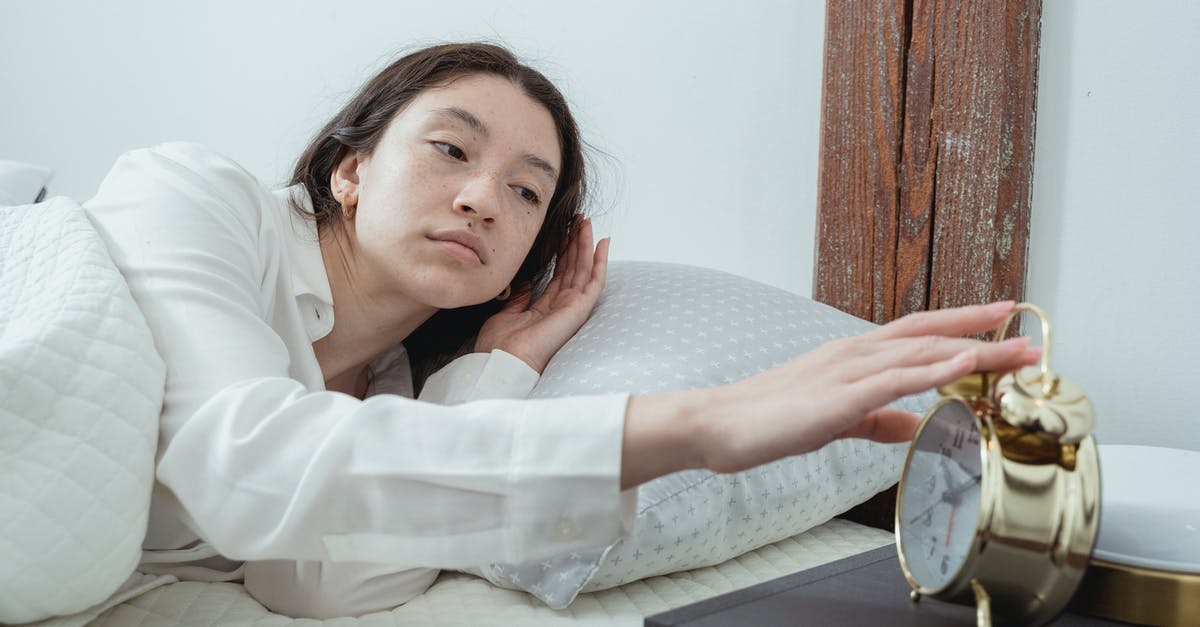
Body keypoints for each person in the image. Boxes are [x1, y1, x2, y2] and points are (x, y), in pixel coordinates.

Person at [83, 42, 1039, 619]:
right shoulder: (190, 195)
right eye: (451, 148)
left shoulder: (394, 390)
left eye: (526, 190)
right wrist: (699, 423)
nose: (480, 198)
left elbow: (320, 590)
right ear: (350, 168)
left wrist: (498, 371)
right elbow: (245, 462)